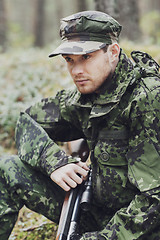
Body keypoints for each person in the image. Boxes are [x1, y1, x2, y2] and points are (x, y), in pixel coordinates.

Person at [0, 10, 160, 240]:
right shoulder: (84, 95)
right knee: (7, 169)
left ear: (113, 52)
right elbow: (27, 120)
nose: (76, 71)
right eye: (69, 60)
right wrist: (54, 162)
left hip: (140, 227)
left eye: (86, 57)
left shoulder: (146, 98)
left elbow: (154, 199)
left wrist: (101, 238)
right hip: (91, 210)